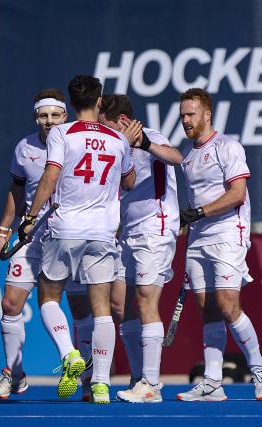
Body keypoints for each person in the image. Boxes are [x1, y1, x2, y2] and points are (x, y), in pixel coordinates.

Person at [18, 75, 135, 404]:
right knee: (102, 311)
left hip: (66, 228)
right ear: (100, 101)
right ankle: (100, 384)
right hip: (102, 232)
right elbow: (129, 182)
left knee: (48, 297)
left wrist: (29, 217)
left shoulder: (60, 133)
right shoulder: (116, 139)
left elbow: (51, 174)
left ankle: (70, 354)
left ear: (70, 104)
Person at [0, 88, 94, 400]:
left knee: (78, 307)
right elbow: (16, 191)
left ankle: (86, 377)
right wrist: (4, 230)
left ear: (65, 116)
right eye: (42, 116)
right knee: (10, 303)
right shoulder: (24, 147)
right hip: (29, 234)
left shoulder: (78, 143)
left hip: (68, 234)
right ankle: (13, 375)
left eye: (55, 116)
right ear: (36, 117)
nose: (48, 122)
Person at [175, 88, 262, 402]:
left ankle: (260, 369)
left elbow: (237, 194)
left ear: (206, 114)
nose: (186, 121)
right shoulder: (188, 155)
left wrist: (200, 212)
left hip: (229, 233)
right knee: (207, 311)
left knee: (229, 306)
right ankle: (213, 384)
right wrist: (188, 221)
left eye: (191, 114)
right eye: (182, 116)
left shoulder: (227, 146)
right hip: (198, 239)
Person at [97, 94, 182, 403]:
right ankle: (137, 376)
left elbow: (176, 157)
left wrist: (143, 143)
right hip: (127, 234)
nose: (101, 130)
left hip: (154, 230)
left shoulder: (152, 137)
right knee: (122, 305)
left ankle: (151, 384)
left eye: (105, 124)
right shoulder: (114, 147)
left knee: (146, 301)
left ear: (122, 122)